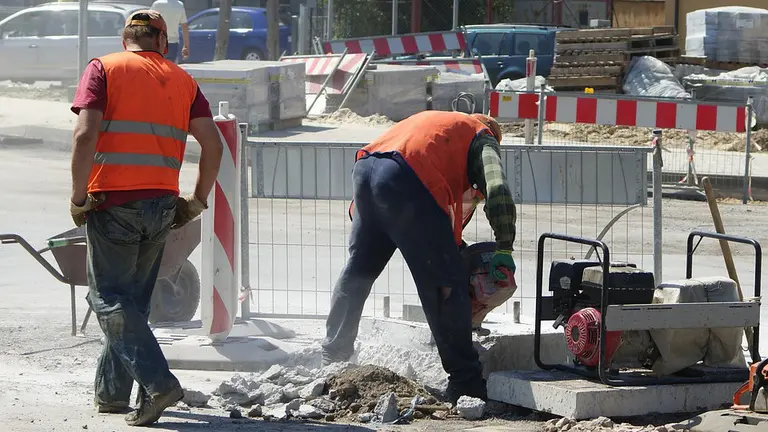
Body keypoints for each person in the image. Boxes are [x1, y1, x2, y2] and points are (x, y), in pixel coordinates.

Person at [69, 10, 223, 427]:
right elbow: (213, 144)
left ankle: (159, 384)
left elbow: (85, 135)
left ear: (126, 39)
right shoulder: (183, 80)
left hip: (113, 202)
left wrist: (79, 197)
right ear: (162, 43)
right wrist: (197, 200)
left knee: (107, 299)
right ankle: (113, 395)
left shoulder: (104, 67)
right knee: (132, 302)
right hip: (162, 204)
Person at [322, 110, 517, 403]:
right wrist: (504, 245)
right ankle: (466, 382)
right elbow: (497, 188)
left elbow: (444, 212)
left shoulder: (440, 127)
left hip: (368, 170)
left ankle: (333, 358)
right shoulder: (483, 137)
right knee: (444, 285)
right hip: (409, 177)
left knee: (358, 271)